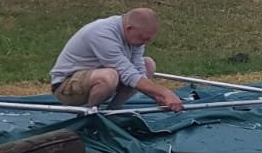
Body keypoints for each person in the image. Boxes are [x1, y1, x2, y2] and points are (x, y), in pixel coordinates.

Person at [50, 8, 184, 111]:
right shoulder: (103, 33)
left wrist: (157, 96)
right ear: (129, 28)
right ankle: (91, 114)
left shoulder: (134, 38)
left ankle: (113, 111)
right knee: (109, 75)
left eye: (148, 39)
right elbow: (127, 73)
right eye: (142, 38)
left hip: (97, 78)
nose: (145, 43)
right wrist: (165, 92)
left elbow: (138, 70)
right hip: (66, 86)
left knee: (148, 64)